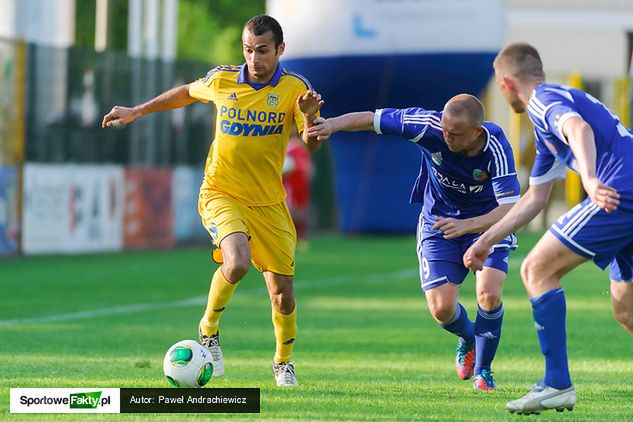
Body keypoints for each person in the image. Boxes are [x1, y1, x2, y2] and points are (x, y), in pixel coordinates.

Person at [102, 15, 324, 387]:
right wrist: (137, 110)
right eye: (248, 50)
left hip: (269, 203)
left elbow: (312, 144)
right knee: (236, 262)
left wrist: (311, 116)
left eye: (263, 51)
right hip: (221, 192)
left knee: (282, 294)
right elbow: (186, 93)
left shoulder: (295, 89)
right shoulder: (222, 79)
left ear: (280, 50)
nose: (254, 58)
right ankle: (208, 329)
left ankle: (283, 363)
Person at [308, 94, 520, 391]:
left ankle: (483, 372)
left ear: (477, 131)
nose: (446, 138)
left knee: (489, 294)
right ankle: (470, 337)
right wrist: (332, 124)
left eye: (455, 134)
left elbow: (510, 207)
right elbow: (371, 118)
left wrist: (468, 226)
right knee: (442, 309)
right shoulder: (427, 125)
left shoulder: (495, 146)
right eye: (445, 130)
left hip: (487, 224)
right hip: (439, 223)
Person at [464, 43, 633, 414]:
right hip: (624, 191)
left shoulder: (542, 99)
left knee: (536, 269)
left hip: (619, 191)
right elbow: (535, 199)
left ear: (506, 83)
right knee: (626, 310)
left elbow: (578, 128)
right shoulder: (548, 123)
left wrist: (589, 179)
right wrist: (486, 241)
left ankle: (556, 383)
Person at [283, 129, 312, 246]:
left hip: (302, 182)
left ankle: (301, 237)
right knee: (291, 209)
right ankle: (290, 237)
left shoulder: (303, 148)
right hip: (291, 183)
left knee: (302, 209)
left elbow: (307, 165)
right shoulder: (287, 147)